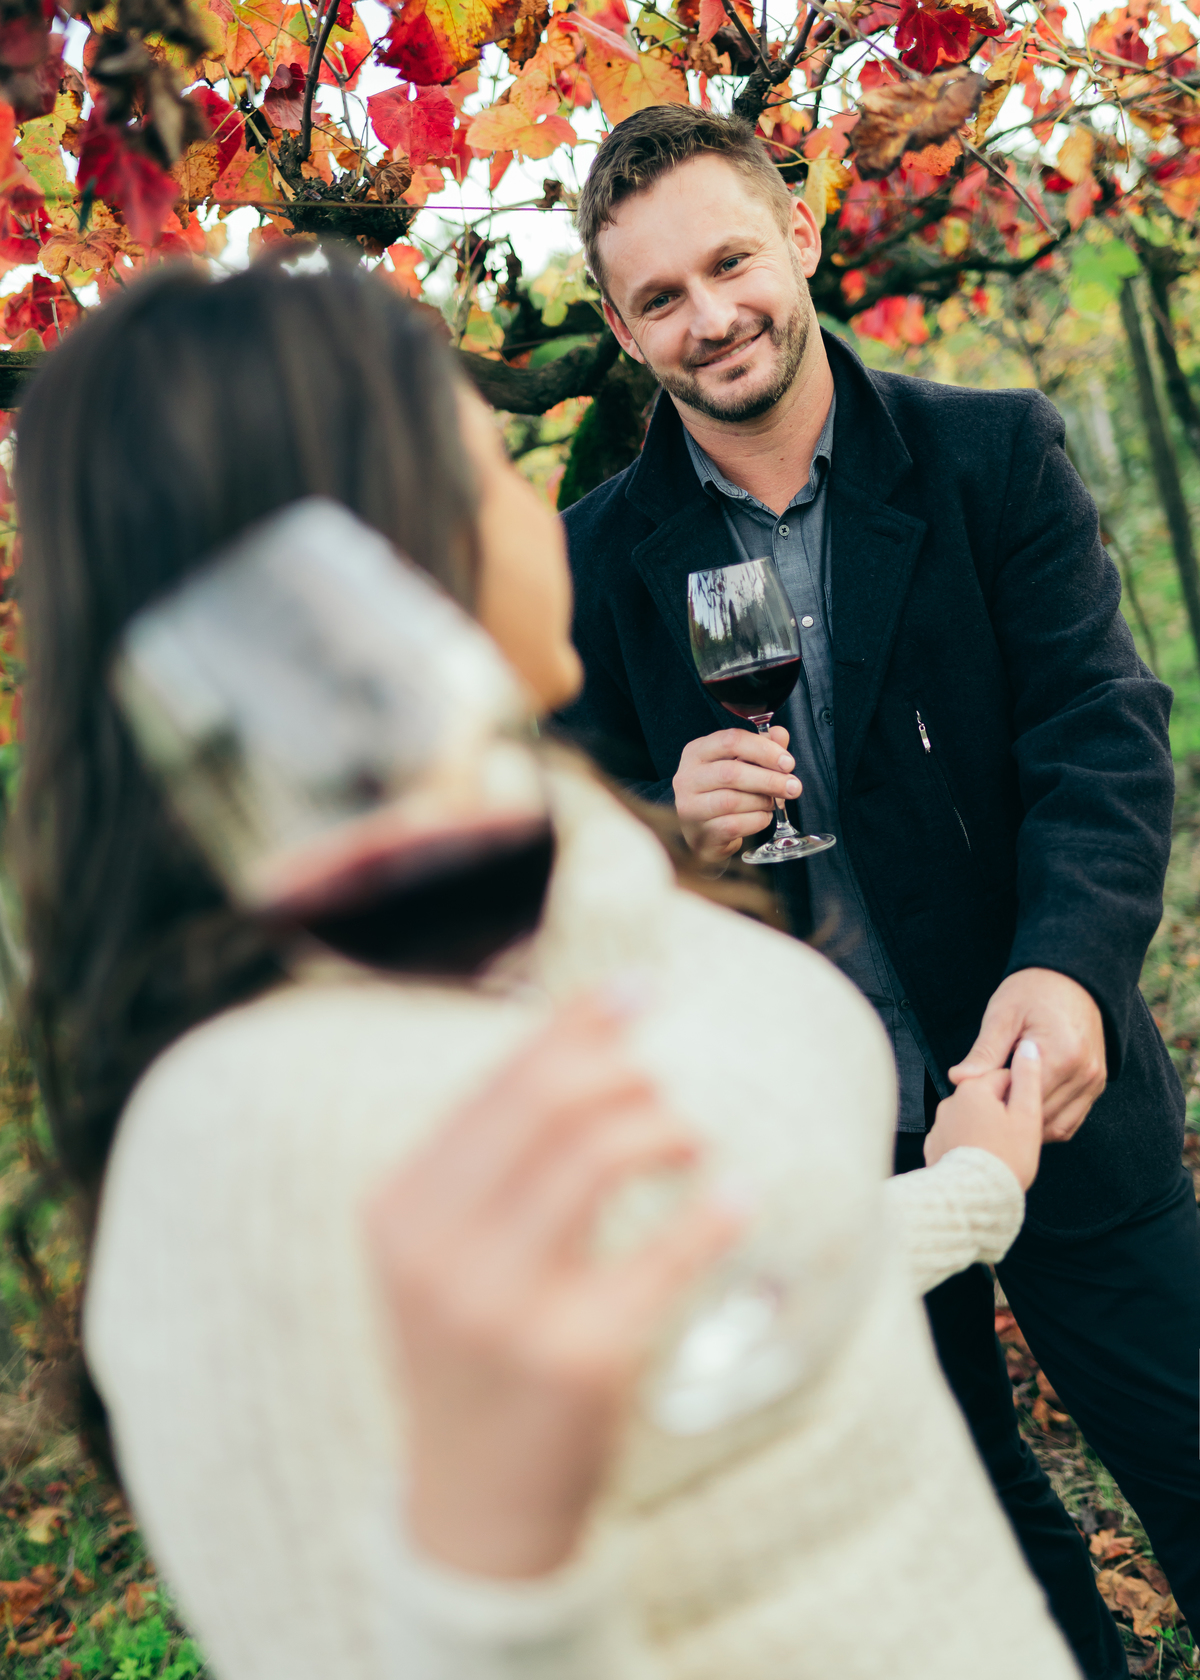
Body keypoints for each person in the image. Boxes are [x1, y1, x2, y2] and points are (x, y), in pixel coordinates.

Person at [13, 259, 1076, 1678]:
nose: (545, 513)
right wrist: (501, 1553)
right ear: (381, 547)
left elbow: (726, 1283)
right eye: (490, 470)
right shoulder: (240, 1149)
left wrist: (972, 1191)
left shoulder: (573, 863)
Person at [557, 103, 1200, 1677]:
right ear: (623, 329)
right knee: (972, 1537)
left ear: (799, 235)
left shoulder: (992, 455)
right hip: (814, 1153)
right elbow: (571, 868)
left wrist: (1070, 969)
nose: (711, 316)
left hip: (1037, 1073)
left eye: (730, 262)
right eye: (660, 297)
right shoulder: (590, 562)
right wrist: (664, 829)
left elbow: (1099, 732)